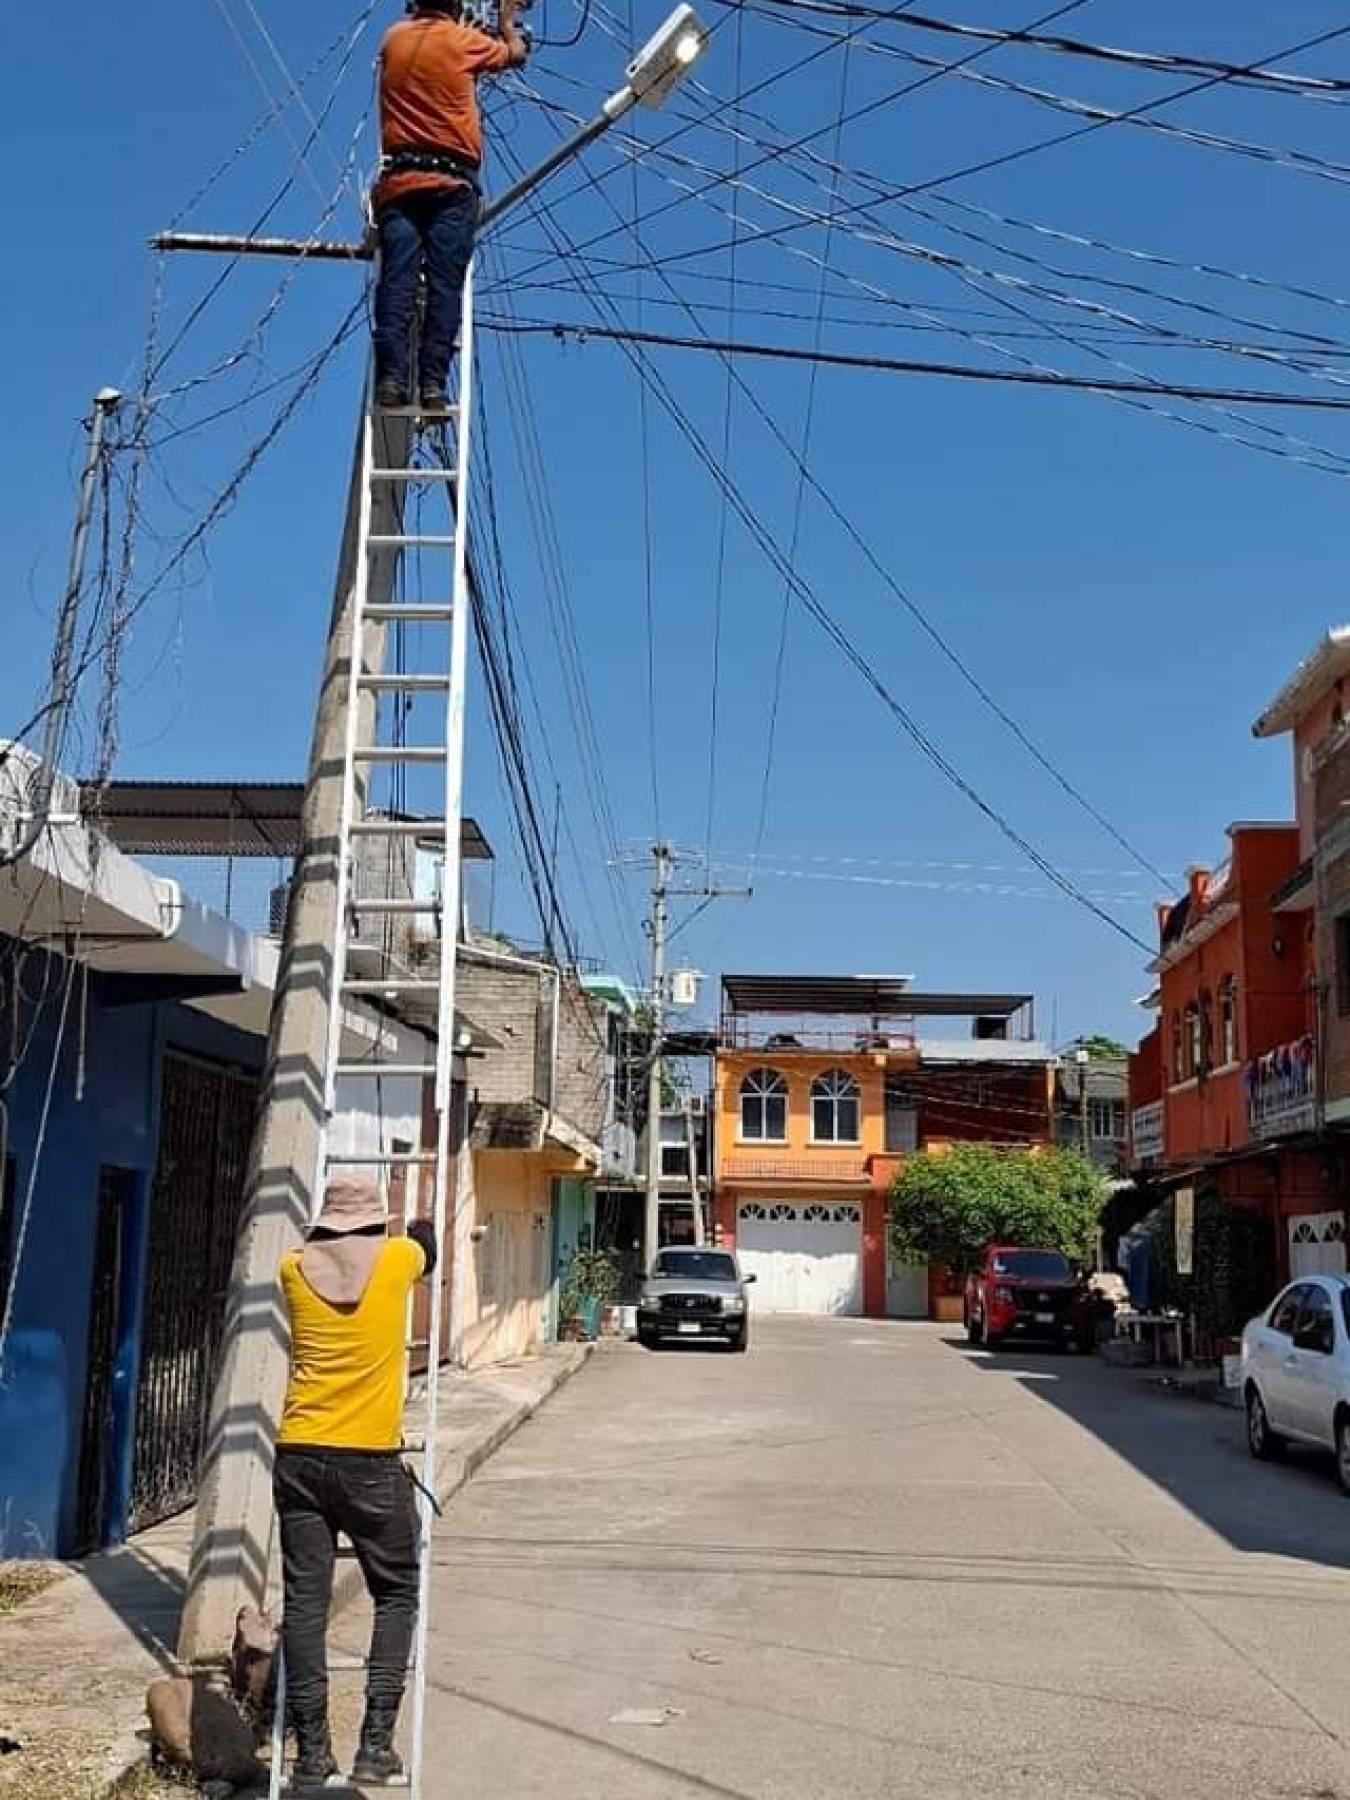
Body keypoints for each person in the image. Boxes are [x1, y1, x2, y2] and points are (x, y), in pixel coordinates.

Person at [273, 1174, 437, 1790]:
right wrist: (415, 1222)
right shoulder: (397, 1260)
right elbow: (427, 1245)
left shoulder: (291, 1269)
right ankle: (375, 1745)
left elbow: (327, 1262)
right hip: (368, 1460)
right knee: (395, 1593)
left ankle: (312, 1755)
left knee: (304, 1607)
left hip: (299, 1454)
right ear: (374, 1225)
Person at [372, 0, 530, 414]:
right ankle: (432, 385)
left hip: (400, 182)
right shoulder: (464, 42)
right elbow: (515, 54)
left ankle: (390, 379)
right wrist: (507, 21)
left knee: (397, 282)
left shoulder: (394, 39)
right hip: (450, 184)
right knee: (444, 286)